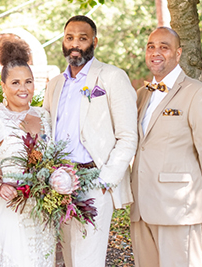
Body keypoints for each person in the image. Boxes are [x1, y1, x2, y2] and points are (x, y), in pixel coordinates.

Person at [43, 15, 138, 267]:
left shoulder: (112, 77)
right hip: (59, 184)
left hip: (94, 180)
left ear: (94, 41)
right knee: (71, 257)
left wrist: (105, 180)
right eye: (69, 37)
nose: (75, 43)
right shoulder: (54, 84)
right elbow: (46, 131)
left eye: (82, 38)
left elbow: (128, 136)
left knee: (88, 260)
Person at [130, 27, 202, 267]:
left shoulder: (196, 92)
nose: (156, 52)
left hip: (177, 207)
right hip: (141, 207)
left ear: (178, 53)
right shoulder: (141, 95)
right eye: (151, 46)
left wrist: (194, 187)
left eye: (164, 47)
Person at [0, 41, 56, 267]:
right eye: (15, 82)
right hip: (12, 209)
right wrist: (0, 186)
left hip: (43, 211)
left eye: (28, 82)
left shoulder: (45, 117)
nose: (24, 88)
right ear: (3, 86)